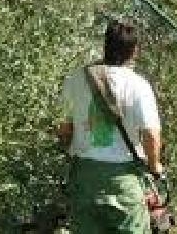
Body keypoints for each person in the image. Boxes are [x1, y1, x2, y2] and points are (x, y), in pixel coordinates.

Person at [56, 20, 164, 233]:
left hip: (84, 176)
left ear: (105, 45)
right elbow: (150, 134)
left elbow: (63, 128)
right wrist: (154, 165)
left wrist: (71, 150)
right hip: (124, 178)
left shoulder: (75, 79)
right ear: (134, 51)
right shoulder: (138, 84)